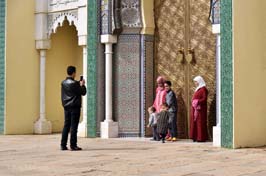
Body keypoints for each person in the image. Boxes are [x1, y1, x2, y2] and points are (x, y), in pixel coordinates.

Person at [61, 66, 87, 151]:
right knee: (74, 127)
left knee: (66, 126)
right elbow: (83, 92)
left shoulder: (63, 83)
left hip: (66, 107)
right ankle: (73, 145)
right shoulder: (75, 83)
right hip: (74, 107)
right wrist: (82, 85)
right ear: (73, 73)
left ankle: (63, 145)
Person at [189, 76, 208, 142]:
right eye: (195, 82)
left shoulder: (203, 89)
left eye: (196, 81)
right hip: (195, 109)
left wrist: (197, 101)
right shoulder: (198, 89)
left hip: (200, 110)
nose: (195, 83)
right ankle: (195, 137)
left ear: (200, 81)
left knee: (200, 123)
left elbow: (204, 99)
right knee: (195, 123)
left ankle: (201, 137)